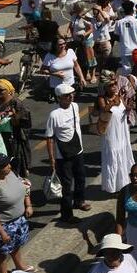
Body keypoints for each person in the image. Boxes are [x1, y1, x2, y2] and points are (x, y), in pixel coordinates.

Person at [45, 84, 88, 224]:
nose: (70, 97)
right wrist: (52, 159)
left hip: (78, 150)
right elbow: (50, 137)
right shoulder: (54, 115)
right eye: (66, 95)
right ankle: (66, 214)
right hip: (63, 156)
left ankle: (79, 201)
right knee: (67, 186)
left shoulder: (75, 106)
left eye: (71, 94)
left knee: (81, 178)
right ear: (59, 98)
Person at [96, 71, 136, 195]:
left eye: (115, 84)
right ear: (105, 87)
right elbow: (104, 109)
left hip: (122, 132)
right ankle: (112, 186)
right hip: (110, 133)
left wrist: (129, 105)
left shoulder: (120, 96)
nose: (114, 87)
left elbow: (126, 109)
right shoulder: (102, 99)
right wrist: (114, 101)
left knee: (123, 155)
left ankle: (123, 183)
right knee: (113, 155)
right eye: (111, 85)